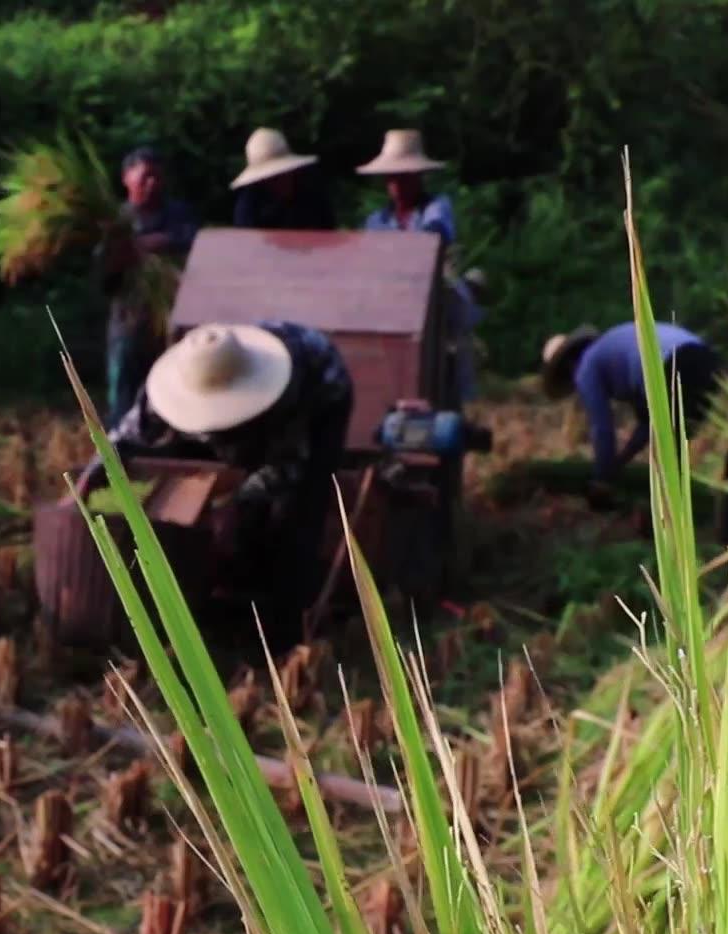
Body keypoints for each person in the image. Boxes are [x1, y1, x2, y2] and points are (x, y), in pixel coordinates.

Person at [77, 321, 353, 644]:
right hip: (253, 403)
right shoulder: (173, 384)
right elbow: (128, 434)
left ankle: (282, 624)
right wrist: (98, 466)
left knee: (299, 506)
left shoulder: (286, 390)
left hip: (322, 395)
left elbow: (289, 465)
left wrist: (239, 502)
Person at [542, 322, 723, 508]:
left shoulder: (586, 367)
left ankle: (675, 520)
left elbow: (602, 427)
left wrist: (601, 479)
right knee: (676, 449)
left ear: (567, 365)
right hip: (704, 359)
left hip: (670, 366)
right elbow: (647, 424)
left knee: (670, 454)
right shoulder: (613, 351)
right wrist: (620, 462)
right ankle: (697, 513)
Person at [357, 129, 480, 402]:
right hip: (390, 297)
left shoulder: (436, 207)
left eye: (404, 178)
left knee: (454, 316)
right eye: (392, 178)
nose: (397, 185)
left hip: (433, 288)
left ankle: (451, 393)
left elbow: (431, 240)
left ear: (418, 177)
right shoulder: (377, 221)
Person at [98, 147, 200, 426]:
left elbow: (197, 244)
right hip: (128, 324)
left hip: (170, 326)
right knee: (123, 401)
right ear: (126, 179)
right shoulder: (116, 223)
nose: (152, 183)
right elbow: (103, 280)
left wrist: (157, 242)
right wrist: (122, 256)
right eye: (145, 177)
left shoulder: (179, 216)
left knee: (172, 398)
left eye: (157, 177)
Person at [230, 129, 336, 231]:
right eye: (272, 177)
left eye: (282, 173)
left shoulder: (312, 191)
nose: (280, 180)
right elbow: (247, 244)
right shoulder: (249, 205)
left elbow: (328, 233)